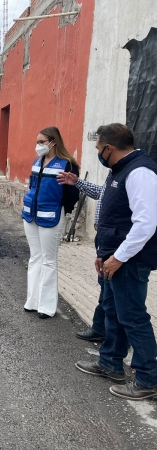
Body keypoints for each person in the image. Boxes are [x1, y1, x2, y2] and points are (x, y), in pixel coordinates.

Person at [75, 123, 157, 401]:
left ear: (109, 148)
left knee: (133, 317)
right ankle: (110, 362)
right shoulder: (119, 171)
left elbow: (145, 224)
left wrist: (118, 257)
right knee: (113, 310)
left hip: (130, 261)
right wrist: (103, 252)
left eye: (98, 148)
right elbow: (114, 216)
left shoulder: (140, 172)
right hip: (113, 256)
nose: (98, 153)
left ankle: (148, 379)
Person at [22, 126, 80, 319]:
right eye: (37, 142)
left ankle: (46, 307)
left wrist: (63, 210)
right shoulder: (38, 160)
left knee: (49, 260)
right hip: (30, 215)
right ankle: (32, 301)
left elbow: (72, 193)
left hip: (52, 216)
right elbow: (33, 185)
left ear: (53, 142)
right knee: (35, 257)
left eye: (42, 142)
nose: (38, 146)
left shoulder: (67, 164)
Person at [58, 168, 111, 342]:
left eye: (100, 147)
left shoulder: (132, 174)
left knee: (114, 291)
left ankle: (115, 338)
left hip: (114, 240)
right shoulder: (114, 173)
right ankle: (100, 328)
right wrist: (78, 182)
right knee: (105, 286)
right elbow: (100, 194)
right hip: (103, 237)